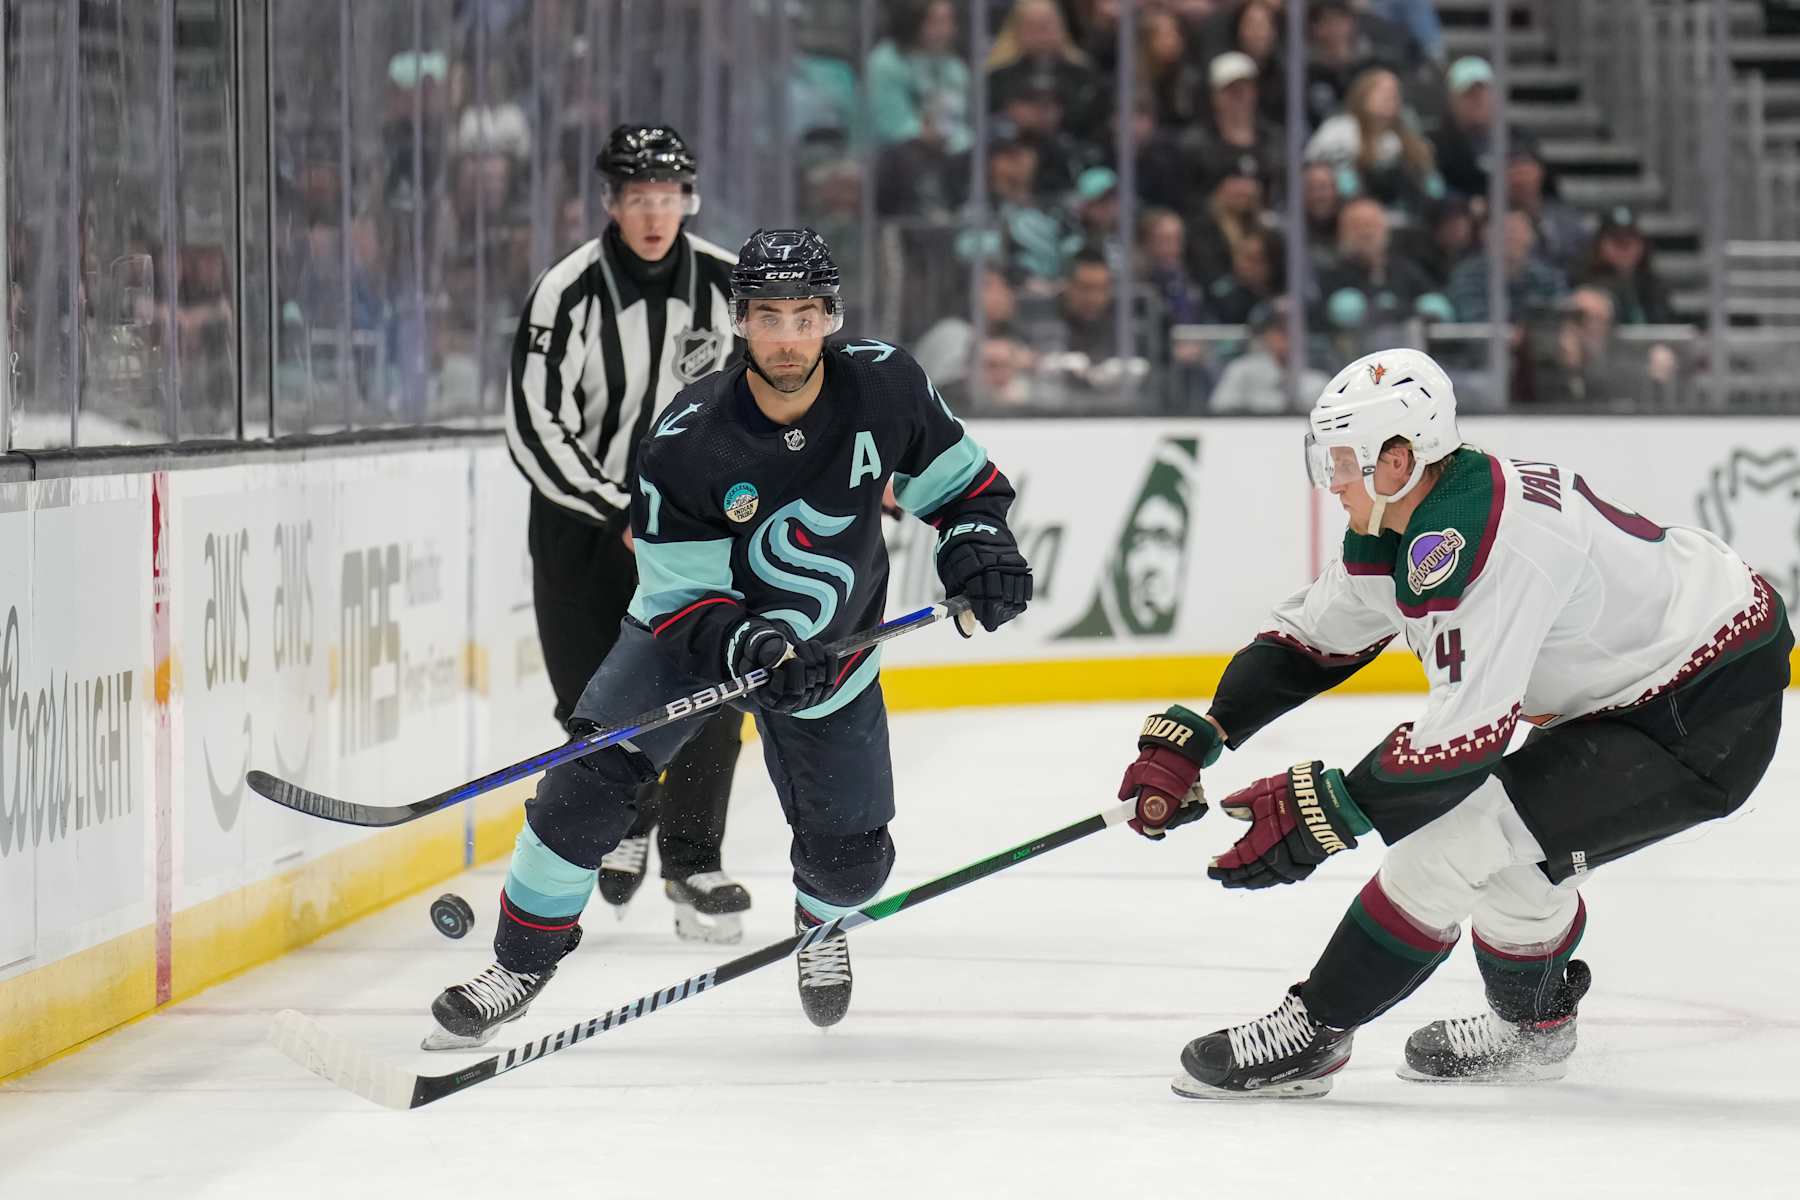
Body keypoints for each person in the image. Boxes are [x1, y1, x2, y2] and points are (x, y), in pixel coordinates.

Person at [1112, 347, 1789, 1097]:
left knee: (1446, 845)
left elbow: (1462, 744)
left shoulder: (1484, 547)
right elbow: (1313, 641)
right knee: (1521, 879)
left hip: (1706, 710)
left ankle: (1314, 1033)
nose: (1329, 480)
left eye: (1342, 460)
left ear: (1398, 460)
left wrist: (1325, 810)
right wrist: (1207, 733)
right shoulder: (1414, 516)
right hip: (1637, 686)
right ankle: (1532, 1031)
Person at [431, 228, 1032, 1046]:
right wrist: (748, 644)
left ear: (831, 318)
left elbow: (962, 489)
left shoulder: (887, 386)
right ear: (739, 320)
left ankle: (820, 925)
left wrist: (978, 545)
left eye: (805, 315)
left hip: (835, 652)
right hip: (685, 646)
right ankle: (519, 963)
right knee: (583, 790)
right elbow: (680, 598)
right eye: (768, 315)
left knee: (853, 863)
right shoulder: (688, 437)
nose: (787, 337)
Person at [501, 124, 751, 946]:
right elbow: (535, 424)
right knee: (593, 703)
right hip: (581, 528)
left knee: (716, 686)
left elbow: (782, 385)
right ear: (610, 204)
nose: (654, 214)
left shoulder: (726, 283)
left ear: (689, 200)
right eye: (638, 198)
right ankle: (629, 820)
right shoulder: (567, 291)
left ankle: (692, 858)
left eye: (667, 197)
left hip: (696, 528)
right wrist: (617, 508)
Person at [1209, 296, 1327, 413]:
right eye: (1279, 330)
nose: (1288, 336)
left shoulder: (1317, 380)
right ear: (1264, 335)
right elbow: (1221, 408)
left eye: (1294, 329)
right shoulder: (1242, 371)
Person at [1578, 207, 1675, 327]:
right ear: (1599, 245)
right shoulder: (1589, 285)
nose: (1624, 247)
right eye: (1617, 240)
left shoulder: (1654, 285)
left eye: (1630, 239)